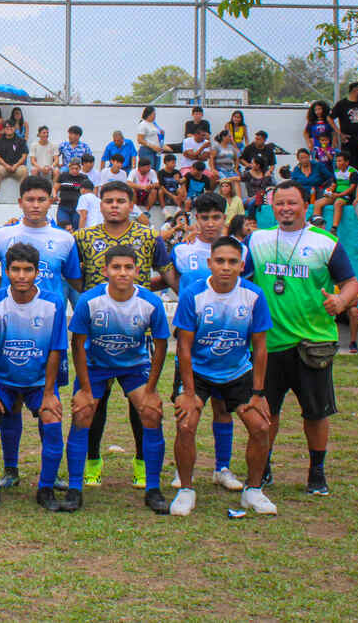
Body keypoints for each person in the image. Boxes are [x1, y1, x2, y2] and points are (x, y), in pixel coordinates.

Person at [247, 180, 358, 495]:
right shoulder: (257, 241)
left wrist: (340, 301)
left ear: (305, 205)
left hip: (313, 343)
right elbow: (235, 274)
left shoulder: (325, 242)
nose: (285, 209)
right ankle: (263, 468)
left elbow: (351, 283)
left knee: (316, 412)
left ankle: (317, 473)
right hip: (270, 343)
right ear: (272, 206)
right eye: (280, 203)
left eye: (292, 203)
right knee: (268, 410)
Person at [73, 181, 174, 489]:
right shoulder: (83, 238)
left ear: (132, 204)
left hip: (135, 333)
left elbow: (166, 270)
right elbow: (71, 274)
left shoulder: (148, 236)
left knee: (140, 405)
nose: (114, 205)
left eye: (120, 200)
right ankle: (92, 460)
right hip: (96, 329)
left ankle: (142, 463)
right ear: (99, 205)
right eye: (108, 201)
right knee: (94, 404)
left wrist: (169, 294)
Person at [170, 237, 275, 516]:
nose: (226, 267)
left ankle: (253, 491)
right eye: (220, 261)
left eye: (232, 262)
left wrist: (258, 393)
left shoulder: (253, 295)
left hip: (237, 371)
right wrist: (189, 393)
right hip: (198, 372)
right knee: (186, 425)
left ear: (242, 265)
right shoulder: (193, 294)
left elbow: (261, 347)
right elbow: (184, 346)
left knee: (261, 427)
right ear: (210, 264)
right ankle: (186, 490)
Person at [0, 179, 80, 487]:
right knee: (8, 405)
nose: (36, 204)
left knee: (47, 404)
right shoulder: (1, 235)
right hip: (9, 331)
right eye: (30, 199)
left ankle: (48, 477)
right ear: (20, 201)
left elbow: (75, 280)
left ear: (51, 200)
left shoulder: (64, 239)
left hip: (47, 333)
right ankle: (10, 470)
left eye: (42, 199)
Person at [65, 245, 171, 514]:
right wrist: (85, 389)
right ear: (105, 271)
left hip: (133, 366)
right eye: (116, 267)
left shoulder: (150, 302)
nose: (122, 273)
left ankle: (153, 488)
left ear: (137, 271)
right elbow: (77, 345)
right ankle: (75, 489)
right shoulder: (89, 301)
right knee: (82, 411)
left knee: (151, 412)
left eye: (128, 267)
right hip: (95, 365)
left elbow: (160, 347)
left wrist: (151, 390)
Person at [166, 192, 246, 493]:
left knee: (223, 409)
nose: (210, 224)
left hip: (228, 344)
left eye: (216, 217)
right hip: (192, 345)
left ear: (225, 218)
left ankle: (222, 467)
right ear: (195, 219)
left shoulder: (241, 252)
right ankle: (183, 470)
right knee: (186, 409)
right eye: (204, 218)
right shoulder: (182, 252)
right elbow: (173, 281)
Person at [0, 242, 67, 511]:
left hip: (39, 381)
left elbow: (56, 349)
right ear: (6, 271)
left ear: (37, 272)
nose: (21, 276)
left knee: (51, 418)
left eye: (27, 270)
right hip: (3, 380)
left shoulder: (53, 303)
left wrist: (50, 393)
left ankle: (46, 488)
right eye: (15, 269)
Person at [312, 151, 358, 234]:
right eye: (336, 161)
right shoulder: (336, 171)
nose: (337, 163)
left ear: (346, 162)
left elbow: (352, 188)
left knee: (338, 203)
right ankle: (317, 226)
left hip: (348, 196)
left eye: (340, 161)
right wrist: (329, 190)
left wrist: (339, 195)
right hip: (337, 194)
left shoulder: (352, 172)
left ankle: (334, 228)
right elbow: (334, 184)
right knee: (318, 203)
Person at [329, 81, 358, 168]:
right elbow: (330, 118)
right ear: (354, 91)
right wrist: (339, 133)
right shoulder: (342, 104)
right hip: (348, 139)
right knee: (349, 163)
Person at [0, 120, 28, 201]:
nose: (9, 129)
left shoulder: (20, 140)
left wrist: (16, 165)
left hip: (17, 167)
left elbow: (24, 155)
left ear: (14, 128)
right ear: (4, 129)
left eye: (11, 127)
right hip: (4, 167)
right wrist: (6, 165)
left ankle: (24, 196)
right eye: (6, 127)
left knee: (24, 170)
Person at [53, 159, 87, 229]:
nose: (74, 170)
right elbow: (55, 188)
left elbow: (87, 192)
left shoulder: (84, 178)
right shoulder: (63, 176)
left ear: (80, 168)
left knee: (76, 228)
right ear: (69, 168)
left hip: (77, 209)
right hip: (63, 207)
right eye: (72, 168)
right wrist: (55, 196)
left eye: (76, 169)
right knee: (62, 227)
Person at [242, 154, 274, 219]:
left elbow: (265, 189)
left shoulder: (266, 174)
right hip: (251, 197)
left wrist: (254, 197)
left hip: (262, 197)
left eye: (252, 163)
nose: (251, 164)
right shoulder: (248, 173)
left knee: (251, 203)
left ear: (258, 165)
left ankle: (252, 221)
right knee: (240, 203)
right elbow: (239, 178)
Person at [136, 105, 166, 172]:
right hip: (147, 150)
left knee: (156, 170)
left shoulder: (153, 123)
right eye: (153, 114)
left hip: (156, 150)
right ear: (148, 114)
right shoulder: (143, 124)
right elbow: (140, 140)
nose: (155, 116)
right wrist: (152, 146)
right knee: (148, 170)